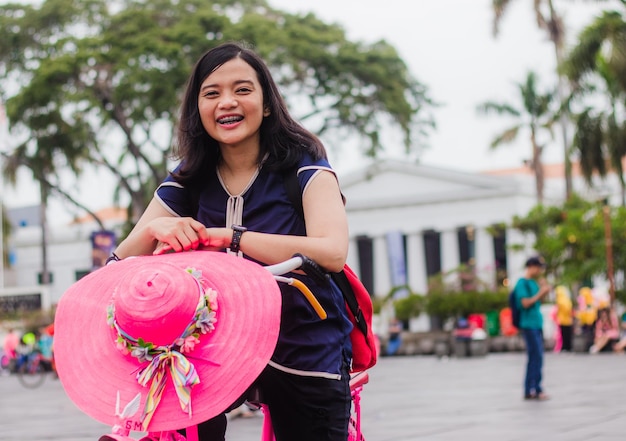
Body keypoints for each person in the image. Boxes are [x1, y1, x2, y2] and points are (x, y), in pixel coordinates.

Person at [112, 42, 353, 441]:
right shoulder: (189, 176)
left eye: (243, 89)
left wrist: (234, 238)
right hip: (211, 349)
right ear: (198, 109)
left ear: (268, 103)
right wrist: (154, 230)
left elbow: (333, 252)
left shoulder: (305, 163)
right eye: (212, 93)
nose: (227, 102)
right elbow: (115, 268)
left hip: (304, 343)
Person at [514, 256, 551, 401]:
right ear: (532, 266)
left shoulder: (534, 283)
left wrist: (544, 290)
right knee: (535, 356)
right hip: (528, 324)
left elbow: (539, 301)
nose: (540, 270)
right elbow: (525, 303)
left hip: (537, 323)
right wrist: (540, 293)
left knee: (537, 356)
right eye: (539, 267)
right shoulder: (522, 283)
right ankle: (533, 388)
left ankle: (533, 388)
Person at [554, 285, 573, 352]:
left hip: (562, 320)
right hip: (568, 320)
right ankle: (568, 347)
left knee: (564, 335)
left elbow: (558, 310)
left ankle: (565, 347)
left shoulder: (560, 300)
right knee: (567, 334)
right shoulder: (567, 300)